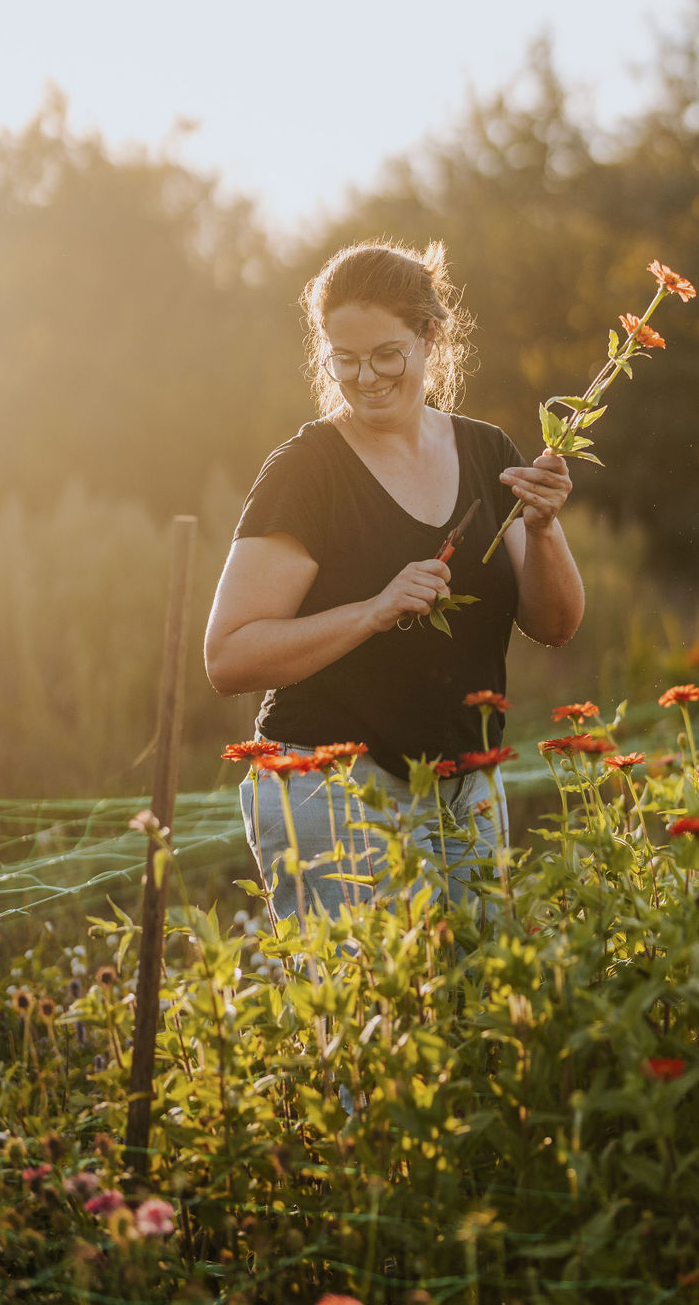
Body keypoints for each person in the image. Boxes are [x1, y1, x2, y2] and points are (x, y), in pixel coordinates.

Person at [204, 239, 584, 921]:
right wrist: (374, 610)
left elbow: (556, 625)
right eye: (343, 359)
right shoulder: (307, 471)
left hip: (466, 788)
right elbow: (229, 656)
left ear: (430, 334)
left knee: (480, 1008)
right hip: (329, 790)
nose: (365, 377)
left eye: (386, 354)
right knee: (364, 1020)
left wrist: (546, 527)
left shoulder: (488, 452)